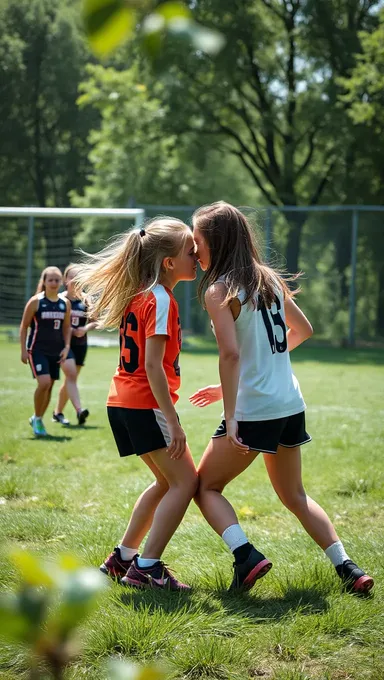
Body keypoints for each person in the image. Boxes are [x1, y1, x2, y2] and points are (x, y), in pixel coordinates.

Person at [189, 201, 374, 594]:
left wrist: (232, 413)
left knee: (204, 487)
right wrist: (245, 379)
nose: (192, 247)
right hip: (289, 404)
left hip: (254, 411)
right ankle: (348, 568)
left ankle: (245, 556)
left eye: (197, 239)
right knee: (295, 495)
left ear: (215, 242)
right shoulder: (268, 277)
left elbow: (232, 354)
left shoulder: (220, 290)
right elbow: (302, 330)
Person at [76, 219, 198, 590]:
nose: (196, 257)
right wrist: (174, 421)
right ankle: (146, 567)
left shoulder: (142, 295)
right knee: (186, 482)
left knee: (165, 481)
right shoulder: (160, 299)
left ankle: (123, 557)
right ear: (168, 263)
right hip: (144, 404)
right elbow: (152, 367)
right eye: (189, 252)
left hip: (122, 402)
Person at [19, 266, 89, 437]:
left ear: (61, 282)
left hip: (56, 351)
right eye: (50, 280)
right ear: (44, 281)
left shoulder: (63, 303)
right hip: (37, 350)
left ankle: (39, 418)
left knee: (49, 386)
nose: (53, 283)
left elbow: (66, 328)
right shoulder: (36, 301)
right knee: (43, 383)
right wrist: (23, 350)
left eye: (56, 280)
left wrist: (66, 347)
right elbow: (24, 326)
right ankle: (37, 417)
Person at [53, 263, 95, 426]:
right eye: (72, 277)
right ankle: (79, 410)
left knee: (71, 378)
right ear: (65, 280)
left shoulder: (87, 300)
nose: (75, 280)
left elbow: (95, 322)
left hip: (81, 344)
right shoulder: (61, 299)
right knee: (70, 376)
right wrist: (68, 330)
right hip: (63, 345)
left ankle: (58, 413)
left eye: (79, 277)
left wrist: (85, 328)